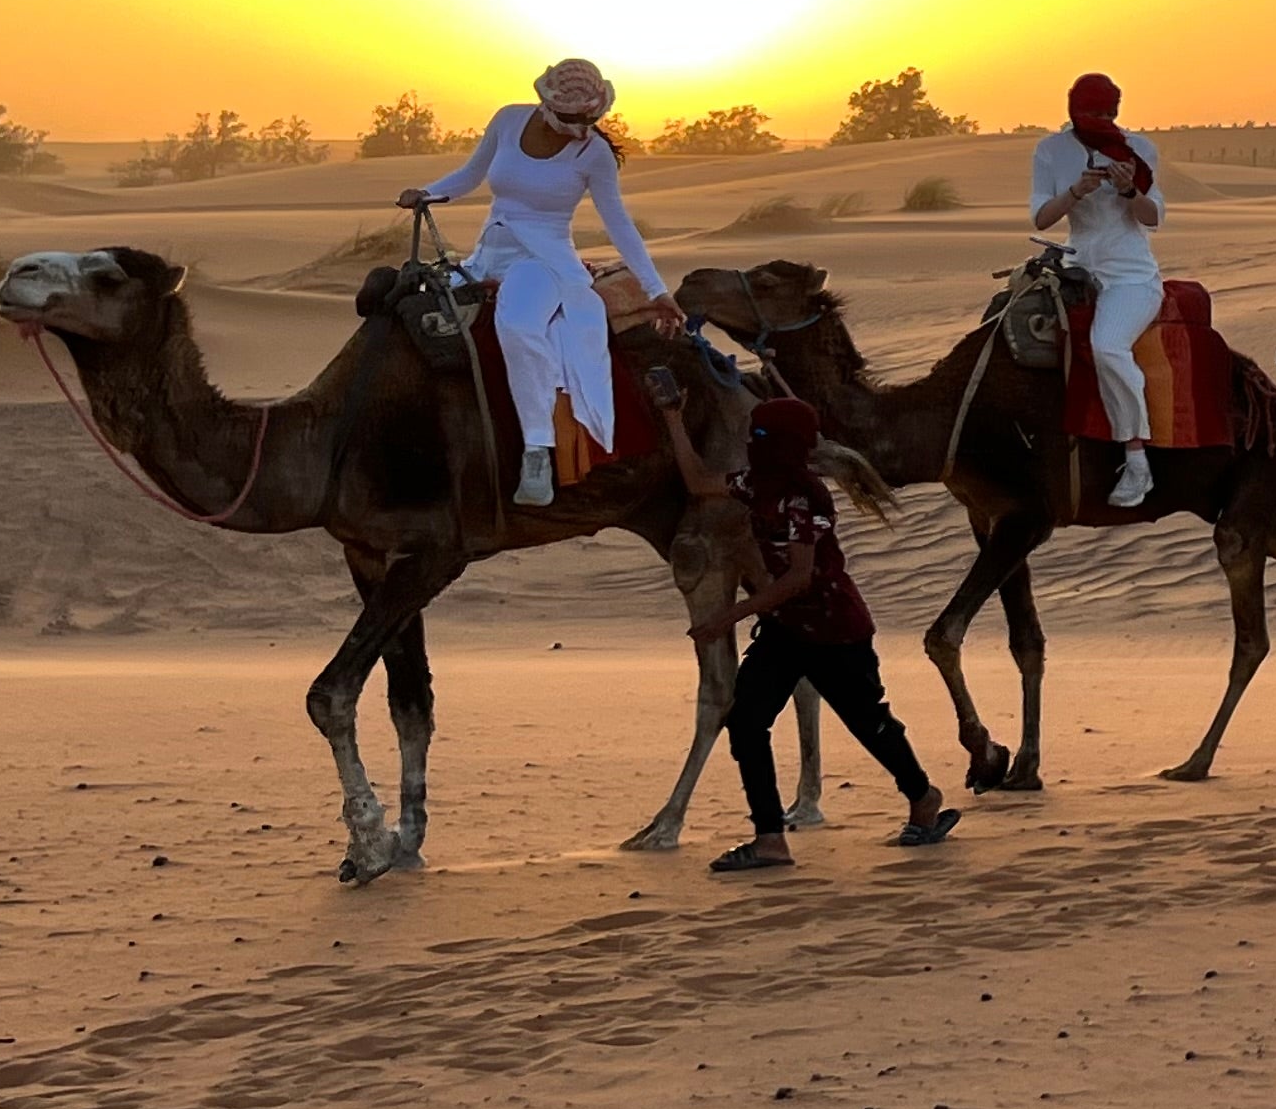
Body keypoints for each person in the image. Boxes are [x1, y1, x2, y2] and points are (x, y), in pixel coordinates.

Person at [653, 392, 958, 872]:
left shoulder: (805, 498)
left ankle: (923, 796)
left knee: (869, 724)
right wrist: (673, 416)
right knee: (747, 722)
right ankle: (770, 837)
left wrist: (726, 619)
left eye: (760, 436)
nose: (751, 443)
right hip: (786, 631)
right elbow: (698, 482)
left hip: (835, 630)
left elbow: (799, 578)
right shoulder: (757, 483)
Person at [399, 58, 683, 506]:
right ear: (546, 105)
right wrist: (428, 193)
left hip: (545, 258)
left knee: (518, 324)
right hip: (491, 249)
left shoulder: (594, 154)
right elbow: (471, 176)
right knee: (415, 311)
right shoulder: (509, 120)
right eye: (573, 119)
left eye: (591, 119)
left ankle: (536, 450)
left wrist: (656, 289)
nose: (583, 129)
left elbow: (619, 223)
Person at [1031, 73, 1166, 509]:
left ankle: (1136, 456)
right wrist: (1075, 191)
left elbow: (1152, 217)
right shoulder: (1051, 151)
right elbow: (1041, 218)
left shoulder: (1139, 149)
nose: (1105, 120)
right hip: (1074, 268)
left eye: (1111, 113)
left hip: (1130, 275)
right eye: (1096, 113)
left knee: (1108, 346)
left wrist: (1129, 189)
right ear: (1074, 110)